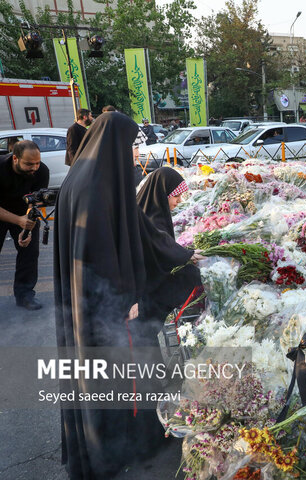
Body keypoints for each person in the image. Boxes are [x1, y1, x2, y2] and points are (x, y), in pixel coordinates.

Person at [54, 112, 198, 479]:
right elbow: (102, 251)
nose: (136, 153)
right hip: (106, 307)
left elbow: (134, 233)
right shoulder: (95, 187)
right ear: (115, 144)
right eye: (132, 145)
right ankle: (114, 452)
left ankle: (124, 442)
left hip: (87, 302)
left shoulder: (85, 178)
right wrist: (125, 298)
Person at [136, 167, 203, 325]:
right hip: (148, 290)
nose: (179, 201)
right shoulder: (152, 218)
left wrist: (185, 254)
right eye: (176, 196)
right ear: (161, 193)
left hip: (148, 285)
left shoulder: (150, 208)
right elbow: (158, 244)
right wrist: (187, 255)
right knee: (193, 276)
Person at [0, 140, 48, 310]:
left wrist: (26, 227)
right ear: (15, 158)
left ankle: (25, 295)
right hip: (2, 211)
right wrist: (17, 220)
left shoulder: (41, 171)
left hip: (23, 212)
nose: (34, 167)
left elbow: (36, 202)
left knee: (29, 251)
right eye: (29, 164)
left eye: (37, 162)